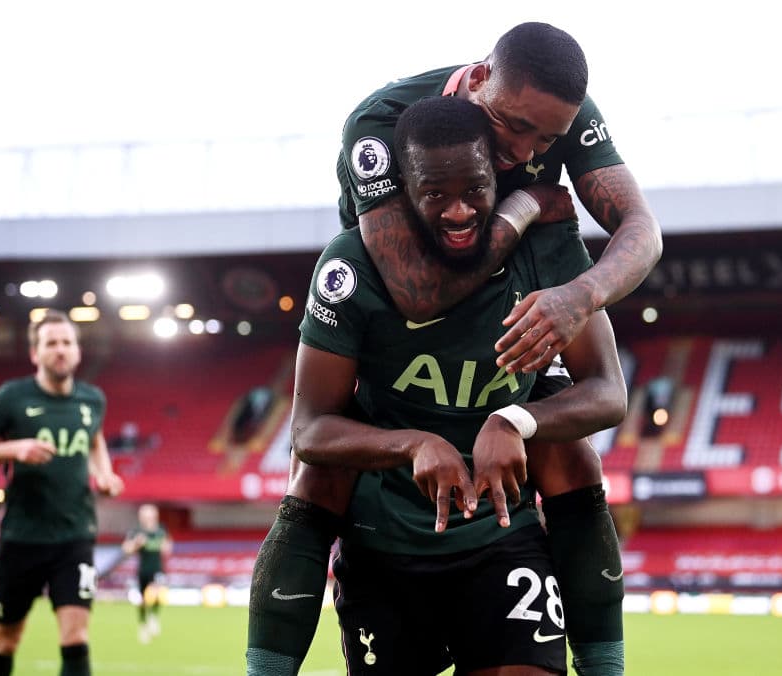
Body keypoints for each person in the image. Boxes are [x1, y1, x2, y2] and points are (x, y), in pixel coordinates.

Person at [249, 22, 649, 675]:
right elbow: (415, 291)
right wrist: (521, 211)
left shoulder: (557, 127)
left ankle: (603, 664)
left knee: (571, 454)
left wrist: (581, 294)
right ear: (479, 78)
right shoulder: (379, 129)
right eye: (513, 128)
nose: (523, 152)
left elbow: (642, 232)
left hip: (498, 381)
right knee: (321, 467)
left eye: (545, 141)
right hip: (393, 356)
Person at [0, 308, 124, 676]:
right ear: (35, 353)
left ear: (78, 351)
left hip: (75, 536)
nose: (60, 350)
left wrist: (105, 474)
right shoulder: (11, 397)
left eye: (67, 342)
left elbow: (94, 441)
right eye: (51, 343)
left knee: (76, 637)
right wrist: (13, 448)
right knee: (5, 639)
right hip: (22, 538)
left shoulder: (92, 399)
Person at [121, 503, 172, 644]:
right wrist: (137, 544)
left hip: (157, 568)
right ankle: (143, 624)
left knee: (157, 592)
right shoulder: (136, 531)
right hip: (143, 569)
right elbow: (126, 549)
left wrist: (165, 547)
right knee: (142, 600)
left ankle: (153, 617)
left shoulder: (161, 530)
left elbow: (168, 547)